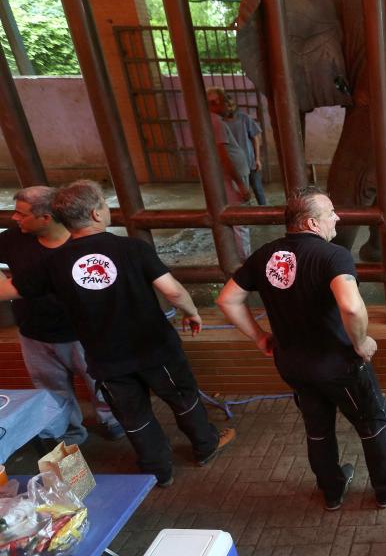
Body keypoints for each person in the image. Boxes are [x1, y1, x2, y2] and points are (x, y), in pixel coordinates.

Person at [0, 180, 235, 486]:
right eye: (104, 205)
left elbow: (8, 291)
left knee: (132, 414)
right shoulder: (132, 248)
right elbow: (173, 291)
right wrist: (192, 312)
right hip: (153, 347)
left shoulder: (53, 263)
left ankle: (158, 470)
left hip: (106, 356)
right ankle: (205, 445)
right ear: (97, 214)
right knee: (182, 397)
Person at [216, 187, 386, 509]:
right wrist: (361, 341)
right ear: (311, 223)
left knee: (318, 428)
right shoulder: (333, 255)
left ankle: (333, 490)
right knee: (372, 422)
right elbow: (351, 308)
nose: (337, 217)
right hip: (338, 364)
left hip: (293, 364)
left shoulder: (265, 255)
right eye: (330, 213)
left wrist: (259, 337)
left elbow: (227, 299)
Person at [0, 186, 123, 445]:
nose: (14, 218)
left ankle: (113, 421)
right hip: (34, 333)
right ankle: (69, 434)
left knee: (102, 383)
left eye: (21, 214)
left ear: (46, 217)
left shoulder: (85, 242)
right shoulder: (12, 239)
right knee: (51, 390)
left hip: (84, 333)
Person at [206, 87, 252, 256]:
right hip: (231, 178)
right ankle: (243, 260)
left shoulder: (211, 121)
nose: (228, 105)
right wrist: (240, 184)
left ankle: (237, 257)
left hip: (227, 177)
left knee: (233, 217)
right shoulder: (216, 122)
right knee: (239, 218)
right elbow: (224, 156)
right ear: (215, 103)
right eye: (225, 101)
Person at [207, 87, 267, 205]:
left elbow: (255, 137)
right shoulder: (220, 122)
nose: (229, 108)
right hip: (235, 169)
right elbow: (224, 154)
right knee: (241, 196)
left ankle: (263, 211)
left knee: (257, 188)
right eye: (226, 104)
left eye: (230, 105)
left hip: (248, 161)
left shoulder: (243, 118)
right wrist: (240, 184)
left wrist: (257, 159)